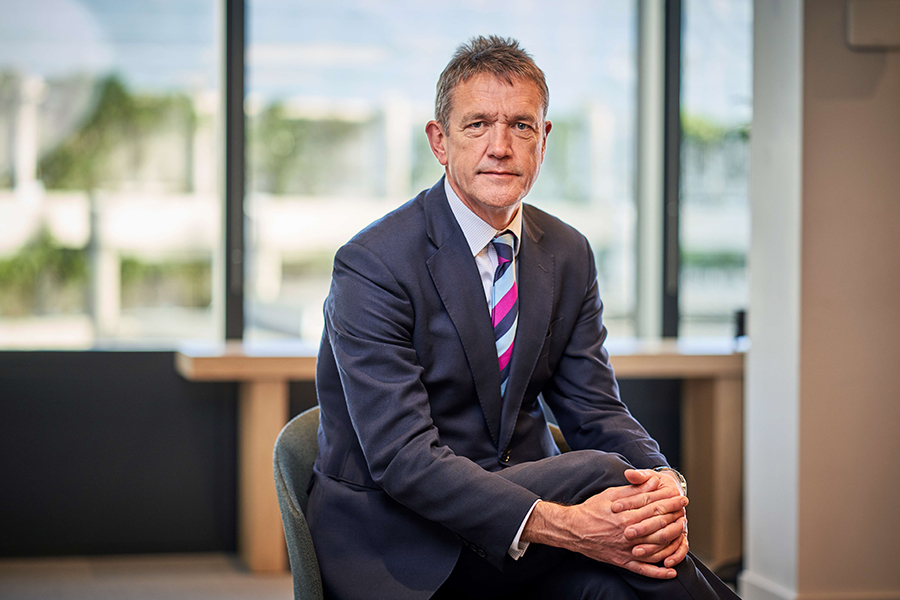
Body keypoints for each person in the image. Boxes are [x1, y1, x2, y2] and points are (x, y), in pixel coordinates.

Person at [307, 35, 739, 600]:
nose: (501, 147)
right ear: (439, 141)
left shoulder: (567, 252)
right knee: (604, 475)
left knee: (628, 579)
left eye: (520, 126)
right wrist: (571, 525)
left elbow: (594, 408)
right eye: (477, 125)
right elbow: (403, 459)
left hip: (526, 541)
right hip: (406, 541)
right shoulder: (373, 263)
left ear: (544, 140)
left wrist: (663, 484)